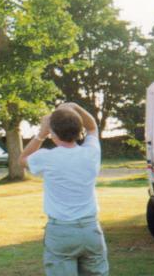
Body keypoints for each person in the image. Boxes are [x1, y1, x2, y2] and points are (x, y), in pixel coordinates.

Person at [20, 102, 108, 276]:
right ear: (78, 130)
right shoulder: (91, 153)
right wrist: (73, 106)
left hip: (61, 231)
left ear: (53, 133)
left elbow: (23, 159)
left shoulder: (47, 157)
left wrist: (40, 134)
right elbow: (92, 127)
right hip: (91, 228)